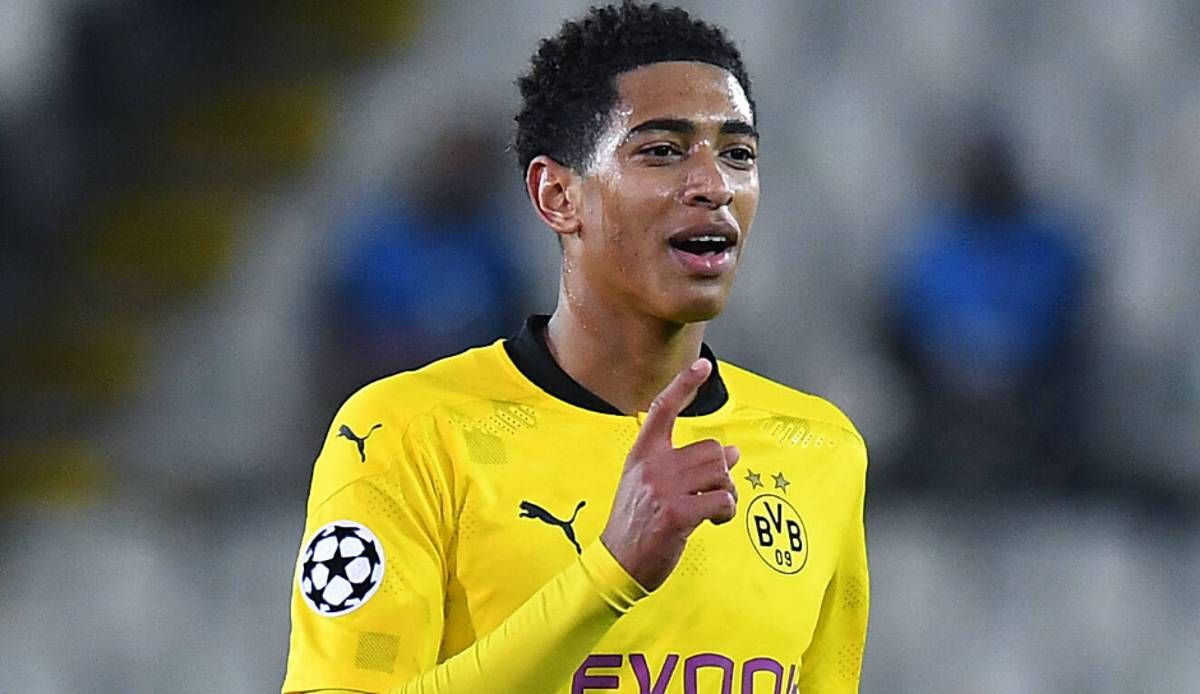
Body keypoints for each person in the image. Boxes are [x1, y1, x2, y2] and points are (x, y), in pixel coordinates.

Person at [283, 3, 869, 693]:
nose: (713, 185)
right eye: (662, 151)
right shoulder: (407, 436)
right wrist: (610, 576)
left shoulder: (819, 450)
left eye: (737, 154)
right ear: (558, 195)